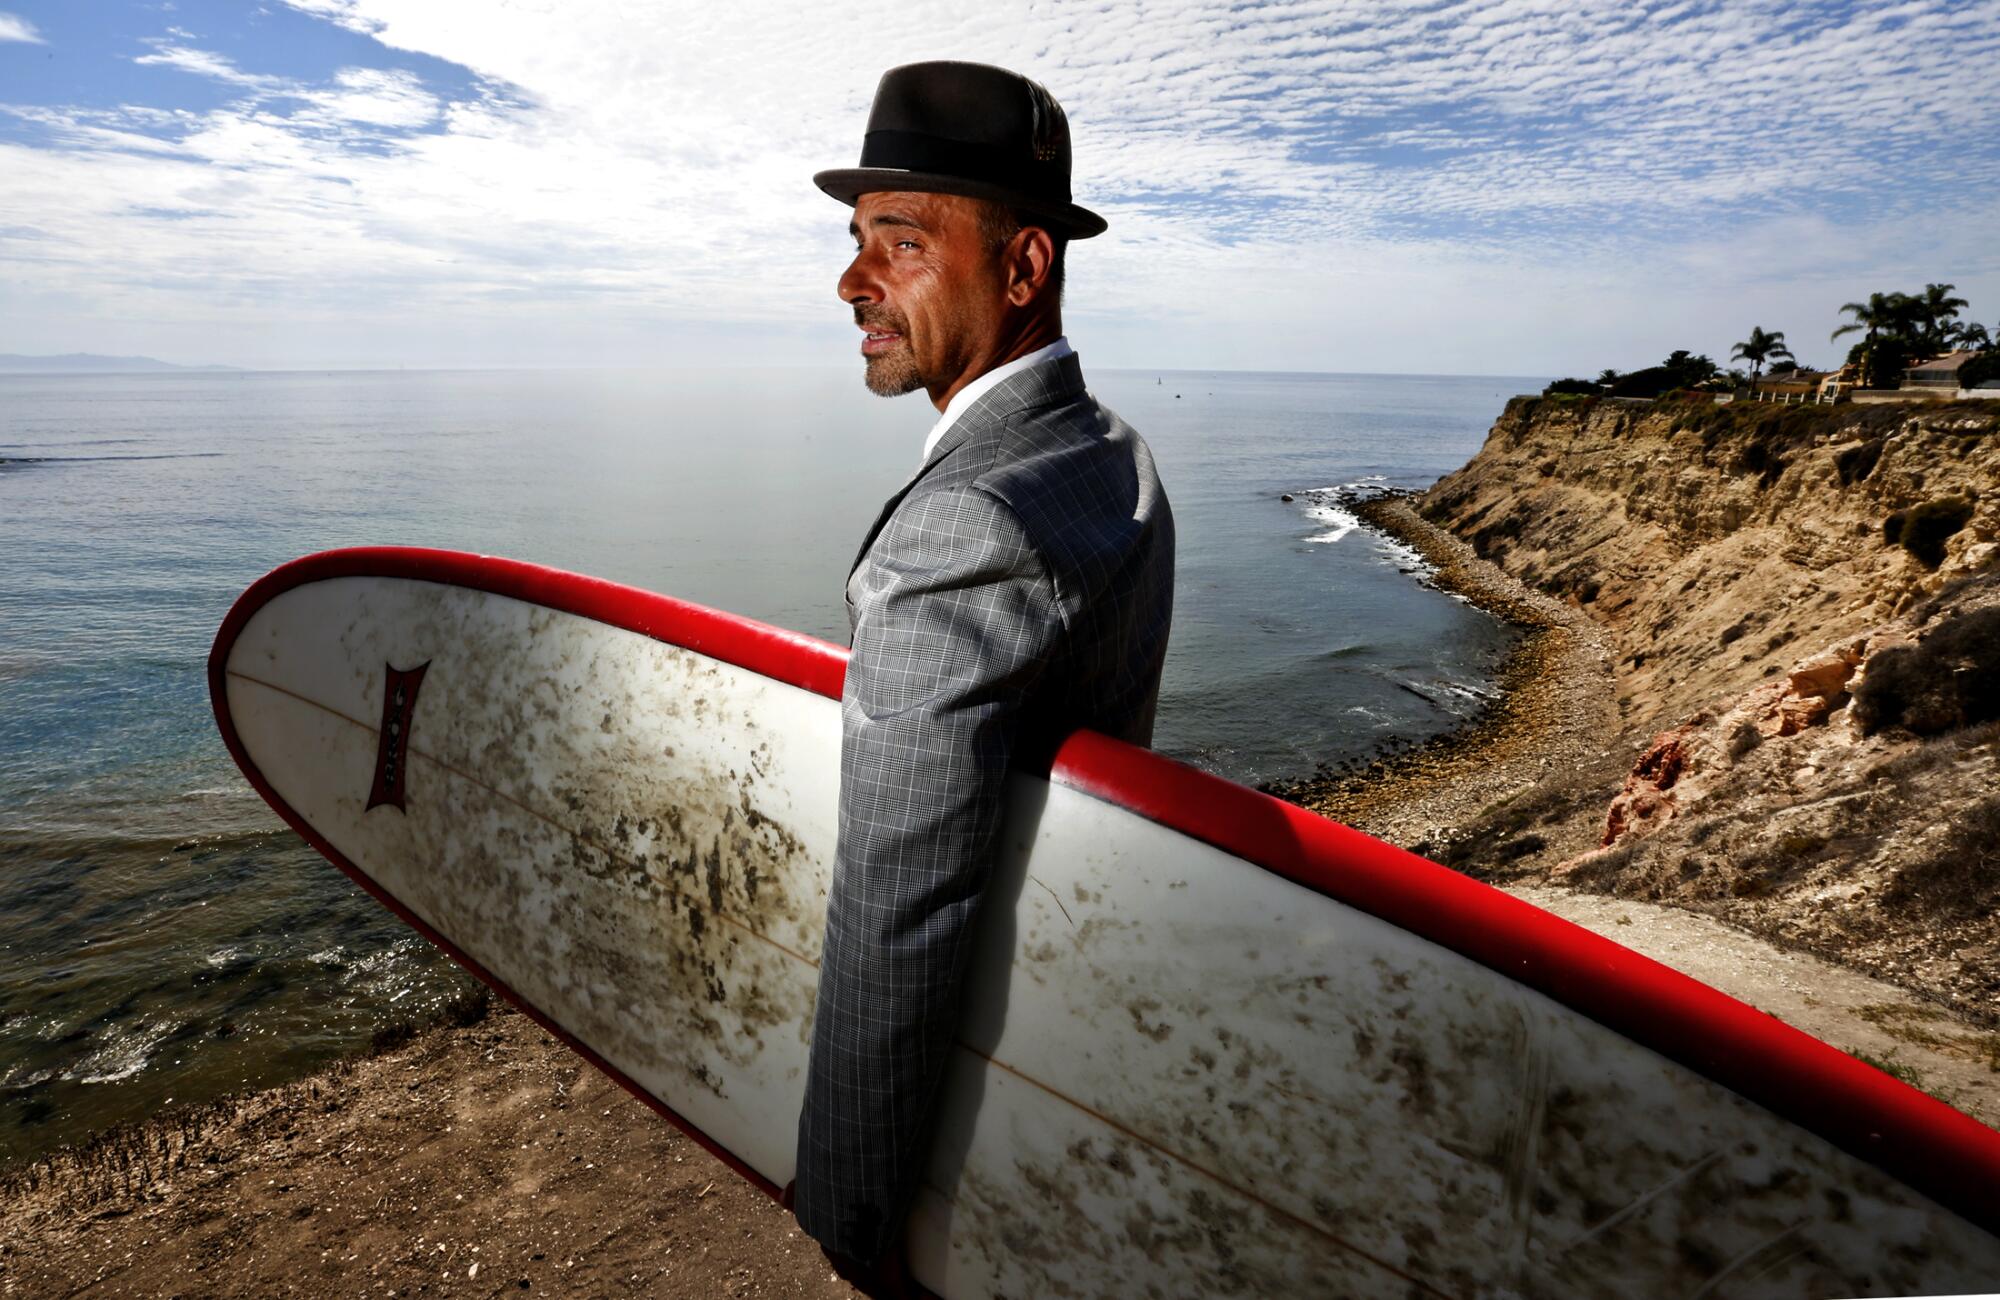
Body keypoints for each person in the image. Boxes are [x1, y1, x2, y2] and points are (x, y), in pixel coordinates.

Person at [790, 60, 1175, 1286]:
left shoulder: (968, 522)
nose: (851, 281)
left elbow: (905, 902)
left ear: (1021, 269)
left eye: (896, 243)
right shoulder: (1106, 449)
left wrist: (849, 1218)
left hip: (969, 1110)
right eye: (855, 242)